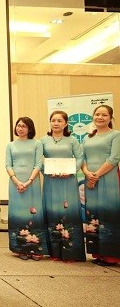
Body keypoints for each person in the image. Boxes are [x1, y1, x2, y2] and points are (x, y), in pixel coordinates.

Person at [41, 111, 85, 262]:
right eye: (53, 120)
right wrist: (45, 171)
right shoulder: (43, 141)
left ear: (66, 123)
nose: (56, 123)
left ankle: (71, 252)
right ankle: (54, 252)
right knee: (52, 211)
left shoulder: (72, 140)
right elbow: (38, 160)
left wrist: (72, 171)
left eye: (60, 120)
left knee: (69, 211)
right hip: (51, 181)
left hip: (68, 180)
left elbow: (80, 157)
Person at [81, 105, 120, 266]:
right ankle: (97, 252)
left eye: (104, 115)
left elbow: (114, 158)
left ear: (110, 118)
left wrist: (96, 175)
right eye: (97, 114)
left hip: (108, 179)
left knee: (108, 213)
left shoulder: (116, 135)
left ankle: (111, 255)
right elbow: (82, 159)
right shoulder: (87, 137)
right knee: (93, 214)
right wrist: (88, 173)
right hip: (90, 179)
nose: (100, 117)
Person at [6, 117, 48, 261]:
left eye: (24, 126)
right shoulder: (11, 145)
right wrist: (17, 181)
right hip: (15, 183)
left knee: (33, 213)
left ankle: (35, 248)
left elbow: (38, 164)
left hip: (33, 182)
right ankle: (20, 248)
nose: (20, 128)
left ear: (30, 128)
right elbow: (8, 165)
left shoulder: (37, 144)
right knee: (17, 214)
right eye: (18, 125)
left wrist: (29, 181)